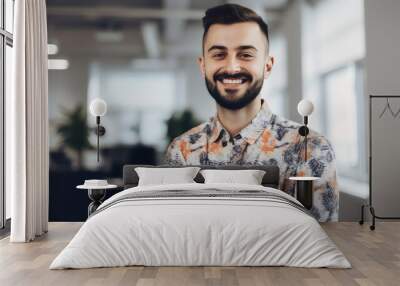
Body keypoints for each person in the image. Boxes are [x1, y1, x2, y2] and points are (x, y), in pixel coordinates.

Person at [164, 3, 338, 222]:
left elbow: (318, 242)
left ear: (267, 66)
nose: (232, 67)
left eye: (245, 54)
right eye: (219, 54)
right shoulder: (181, 151)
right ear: (203, 66)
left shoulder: (310, 149)